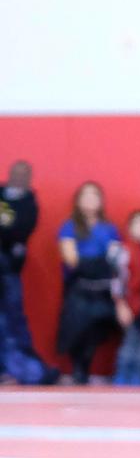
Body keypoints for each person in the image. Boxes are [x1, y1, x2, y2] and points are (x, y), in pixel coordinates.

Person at [56, 181, 121, 384]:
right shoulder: (69, 227)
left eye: (95, 196)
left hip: (102, 287)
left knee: (97, 329)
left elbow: (115, 257)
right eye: (86, 196)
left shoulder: (109, 228)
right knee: (77, 328)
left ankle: (87, 365)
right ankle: (78, 369)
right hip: (79, 286)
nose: (91, 200)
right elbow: (71, 260)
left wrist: (95, 263)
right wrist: (97, 262)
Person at [0, 160, 58, 384]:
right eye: (17, 171)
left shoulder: (28, 202)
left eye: (25, 173)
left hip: (10, 272)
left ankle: (19, 367)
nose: (20, 176)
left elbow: (20, 230)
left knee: (13, 320)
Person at [112, 210, 140, 386]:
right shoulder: (123, 250)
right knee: (130, 343)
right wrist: (121, 305)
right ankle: (123, 377)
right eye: (137, 224)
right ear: (129, 228)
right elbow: (117, 280)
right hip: (130, 304)